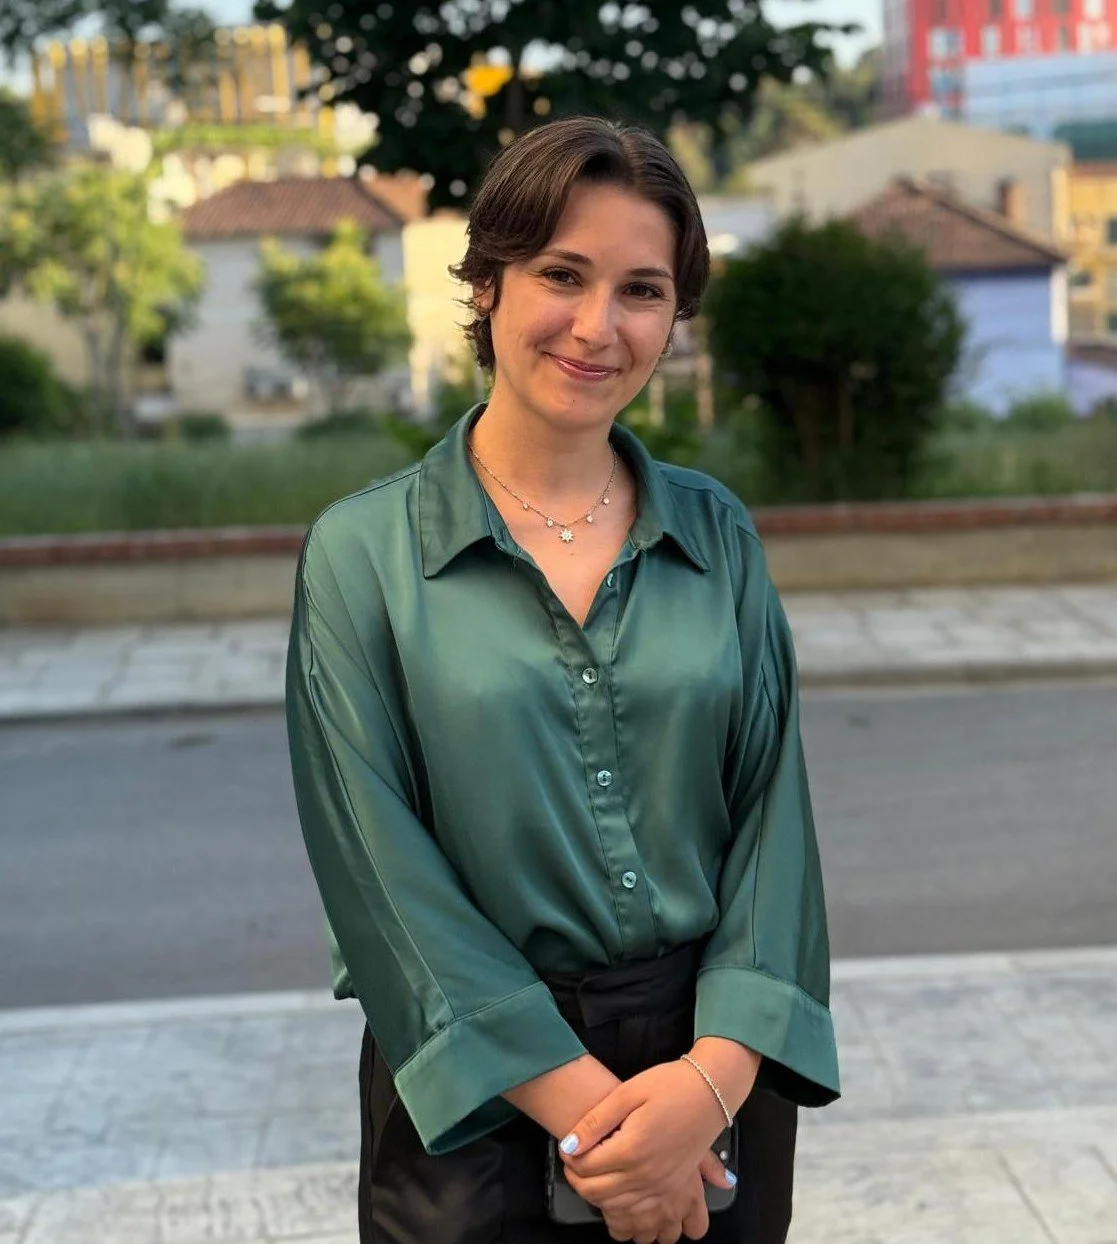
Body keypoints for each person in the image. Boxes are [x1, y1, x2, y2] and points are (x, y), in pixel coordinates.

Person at [285, 115, 840, 1244]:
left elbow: (774, 826)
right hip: (474, 1100)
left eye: (641, 291)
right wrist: (606, 1130)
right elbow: (379, 876)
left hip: (708, 1077)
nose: (598, 326)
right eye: (560, 275)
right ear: (488, 283)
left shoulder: (718, 534)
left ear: (672, 319)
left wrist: (709, 1087)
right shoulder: (363, 554)